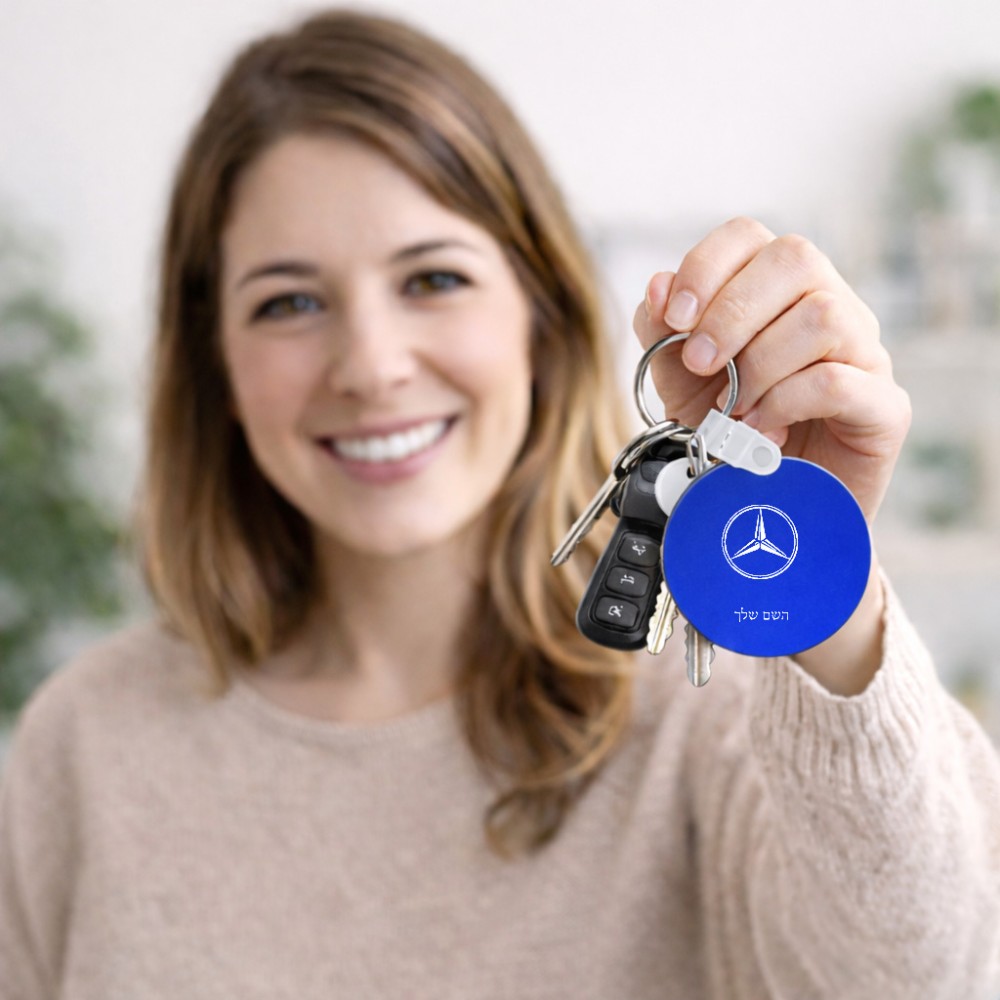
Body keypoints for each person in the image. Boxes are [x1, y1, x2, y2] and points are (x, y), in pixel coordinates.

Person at [1, 9, 998, 999]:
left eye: (432, 278)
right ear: (214, 358)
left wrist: (816, 566)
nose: (371, 366)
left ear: (541, 316)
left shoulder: (715, 712)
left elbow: (930, 981)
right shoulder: (83, 744)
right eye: (289, 302)